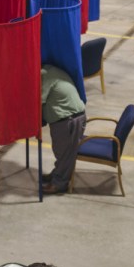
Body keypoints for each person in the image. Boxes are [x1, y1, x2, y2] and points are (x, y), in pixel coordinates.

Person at [40, 64, 86, 195]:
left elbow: (38, 101)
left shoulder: (43, 75)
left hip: (67, 119)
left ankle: (59, 184)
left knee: (64, 153)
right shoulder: (51, 70)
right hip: (71, 117)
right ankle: (57, 174)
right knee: (63, 152)